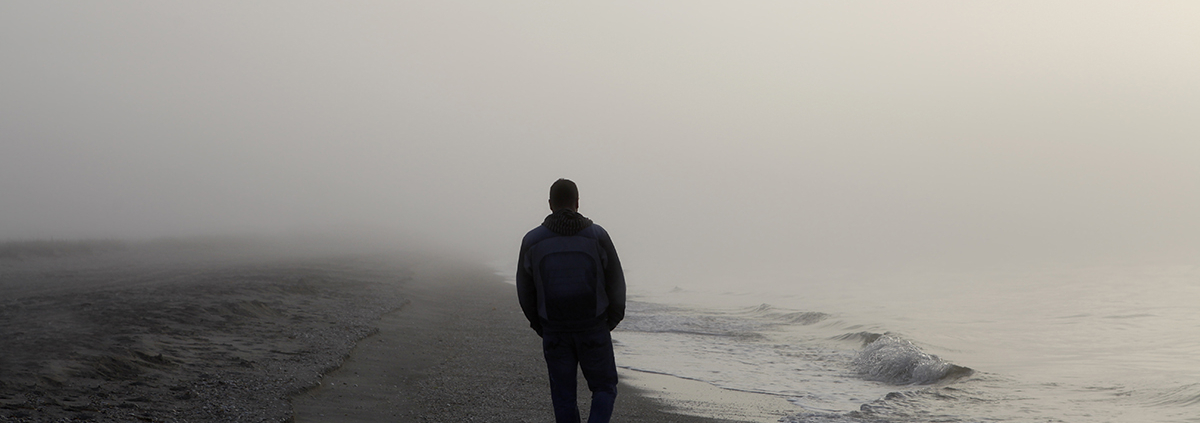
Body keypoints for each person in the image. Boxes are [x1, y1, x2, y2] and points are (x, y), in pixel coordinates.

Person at [516, 178, 626, 423]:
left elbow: (525, 290)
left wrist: (540, 324)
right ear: (577, 202)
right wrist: (611, 320)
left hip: (554, 330)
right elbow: (616, 280)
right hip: (593, 327)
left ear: (550, 204)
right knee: (604, 388)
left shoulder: (532, 241)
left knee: (564, 398)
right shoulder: (597, 236)